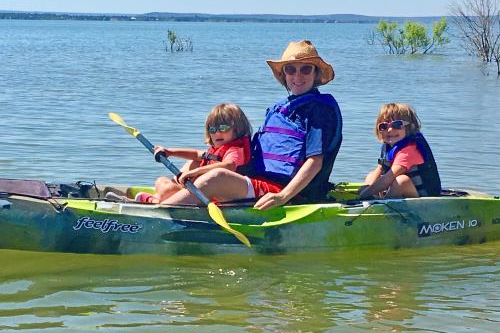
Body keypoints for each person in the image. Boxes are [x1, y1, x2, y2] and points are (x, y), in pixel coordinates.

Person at [161, 40, 343, 210]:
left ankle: (160, 214)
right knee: (185, 173)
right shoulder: (280, 108)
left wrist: (283, 196)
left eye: (305, 69)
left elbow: (315, 162)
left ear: (316, 73)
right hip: (255, 181)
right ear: (283, 74)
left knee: (216, 178)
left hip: (284, 190)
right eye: (290, 69)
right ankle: (160, 204)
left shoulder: (320, 112)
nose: (297, 76)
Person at [105, 103, 252, 203]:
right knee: (162, 181)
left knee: (168, 188)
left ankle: (149, 202)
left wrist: (196, 172)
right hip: (196, 190)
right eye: (213, 130)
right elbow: (196, 153)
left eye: (223, 128)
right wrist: (170, 152)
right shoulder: (215, 150)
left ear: (237, 129)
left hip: (217, 194)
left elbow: (229, 165)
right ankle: (151, 199)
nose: (217, 133)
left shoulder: (235, 150)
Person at [359, 103, 441, 199]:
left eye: (397, 125)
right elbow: (380, 169)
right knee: (371, 175)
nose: (389, 130)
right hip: (401, 193)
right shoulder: (388, 147)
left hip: (422, 198)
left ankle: (384, 206)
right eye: (383, 126)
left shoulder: (409, 151)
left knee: (402, 181)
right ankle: (372, 198)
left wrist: (364, 195)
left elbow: (389, 177)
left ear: (411, 127)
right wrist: (366, 190)